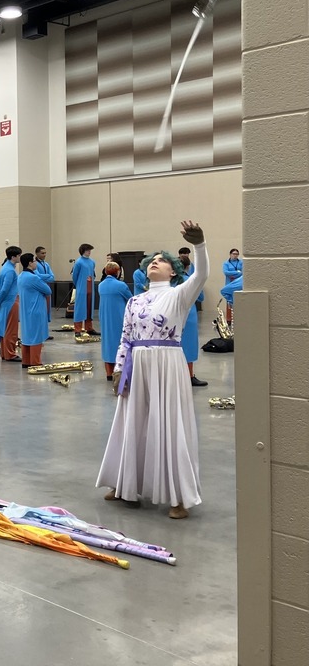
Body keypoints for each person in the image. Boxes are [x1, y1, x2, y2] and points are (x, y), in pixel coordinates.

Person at [96, 221, 208, 519]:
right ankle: (125, 485)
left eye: (162, 261)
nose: (155, 263)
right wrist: (119, 369)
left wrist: (199, 245)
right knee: (131, 421)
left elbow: (202, 275)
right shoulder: (134, 301)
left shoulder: (179, 295)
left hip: (167, 364)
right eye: (152, 261)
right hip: (137, 364)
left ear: (173, 272)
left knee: (170, 423)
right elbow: (126, 337)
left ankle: (178, 496)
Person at [97, 262, 131, 381]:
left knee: (107, 343)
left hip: (105, 317)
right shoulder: (121, 285)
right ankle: (120, 371)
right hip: (118, 317)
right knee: (119, 342)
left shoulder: (101, 285)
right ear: (118, 272)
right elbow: (130, 299)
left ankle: (109, 373)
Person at [17, 253, 52, 368]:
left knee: (27, 336)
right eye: (34, 261)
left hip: (25, 310)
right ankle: (35, 362)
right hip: (35, 309)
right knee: (36, 336)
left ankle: (26, 361)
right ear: (30, 263)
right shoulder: (33, 277)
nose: (36, 263)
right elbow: (48, 290)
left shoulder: (21, 276)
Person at [181, 256, 208, 387]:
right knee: (189, 345)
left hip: (172, 314)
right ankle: (189, 376)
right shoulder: (190, 280)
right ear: (188, 267)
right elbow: (201, 297)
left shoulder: (169, 281)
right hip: (189, 315)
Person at [0, 246, 22, 362]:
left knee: (4, 329)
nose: (20, 257)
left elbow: (1, 288)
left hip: (5, 302)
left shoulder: (5, 268)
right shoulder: (10, 271)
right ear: (13, 257)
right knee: (11, 329)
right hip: (10, 302)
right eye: (19, 255)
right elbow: (5, 288)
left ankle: (5, 353)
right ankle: (10, 354)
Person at [72, 243, 98, 336]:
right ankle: (77, 329)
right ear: (83, 251)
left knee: (89, 309)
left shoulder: (92, 262)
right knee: (80, 308)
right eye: (87, 250)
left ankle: (89, 328)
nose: (89, 252)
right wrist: (79, 285)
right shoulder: (78, 262)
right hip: (82, 288)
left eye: (90, 250)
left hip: (90, 287)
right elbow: (74, 276)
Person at [35, 246, 54, 327]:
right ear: (37, 253)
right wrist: (48, 276)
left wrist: (45, 277)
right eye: (42, 253)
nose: (44, 255)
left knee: (47, 308)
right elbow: (37, 276)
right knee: (41, 308)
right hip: (39, 289)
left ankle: (45, 327)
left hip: (47, 287)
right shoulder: (34, 264)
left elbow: (52, 277)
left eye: (45, 253)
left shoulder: (46, 264)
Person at [222, 248, 242, 324]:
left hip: (238, 284)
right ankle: (229, 319)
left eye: (237, 254)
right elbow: (226, 272)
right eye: (234, 254)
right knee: (229, 301)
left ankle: (239, 317)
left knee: (239, 299)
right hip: (229, 283)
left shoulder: (241, 262)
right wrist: (237, 273)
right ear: (230, 254)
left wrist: (234, 273)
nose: (235, 255)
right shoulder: (226, 263)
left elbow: (243, 272)